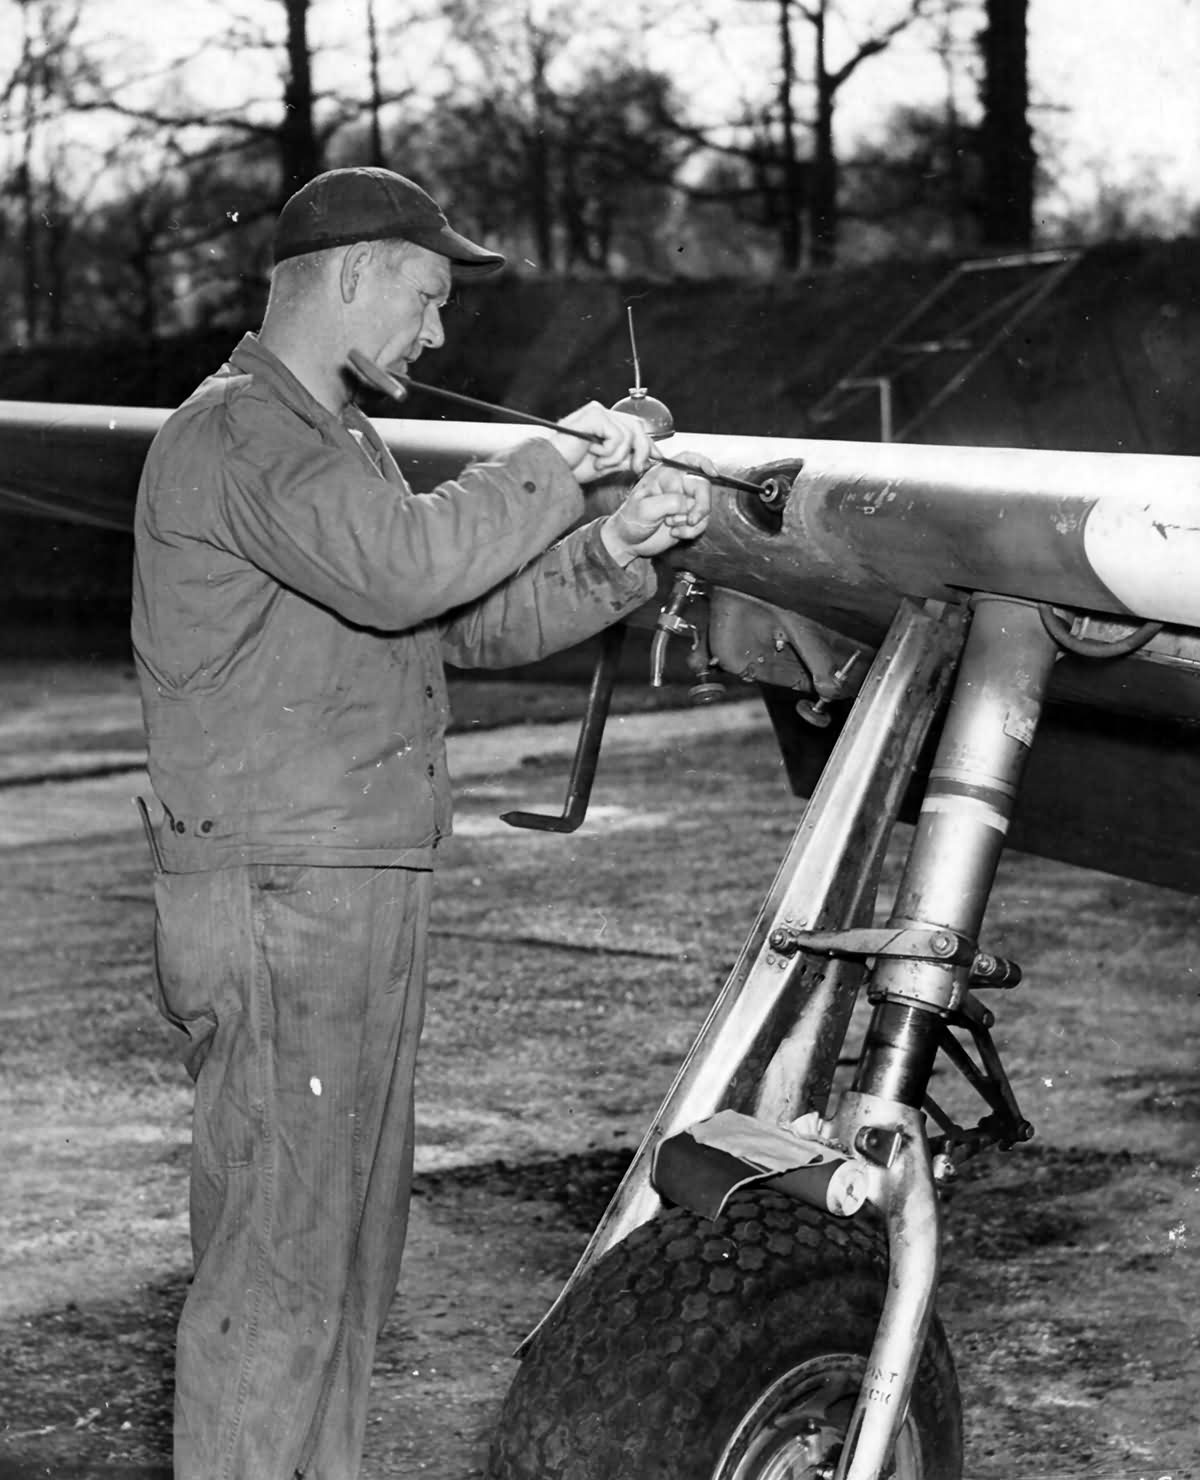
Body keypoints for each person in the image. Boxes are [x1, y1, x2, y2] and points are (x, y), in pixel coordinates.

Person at [130, 165, 712, 1480]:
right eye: (429, 298)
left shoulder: (337, 442)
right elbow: (409, 571)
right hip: (283, 897)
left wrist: (617, 554)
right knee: (281, 1274)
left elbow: (459, 620)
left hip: (347, 883)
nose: (438, 336)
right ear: (351, 275)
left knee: (342, 1269)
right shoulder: (239, 434)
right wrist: (564, 456)